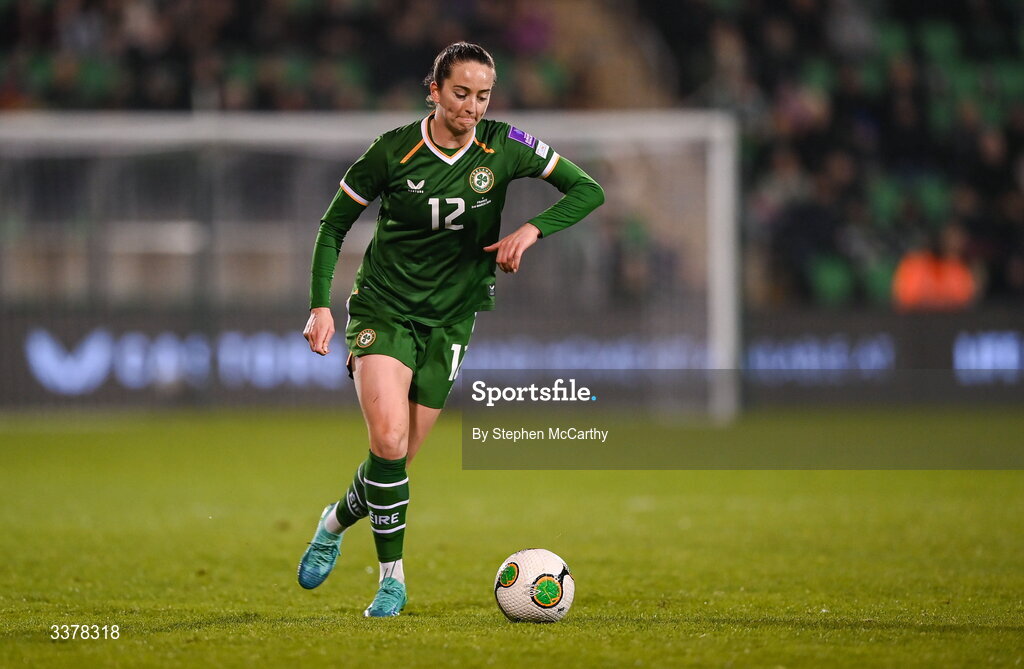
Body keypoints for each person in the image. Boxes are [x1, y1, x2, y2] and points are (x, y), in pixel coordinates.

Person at [296, 42, 604, 617]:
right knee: (387, 442)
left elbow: (589, 190)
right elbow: (333, 226)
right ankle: (393, 580)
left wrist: (532, 230)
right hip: (383, 309)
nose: (471, 107)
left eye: (482, 96)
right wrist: (320, 306)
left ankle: (332, 523)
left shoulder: (507, 145)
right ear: (433, 91)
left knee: (398, 460)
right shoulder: (391, 152)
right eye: (460, 93)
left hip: (452, 318)